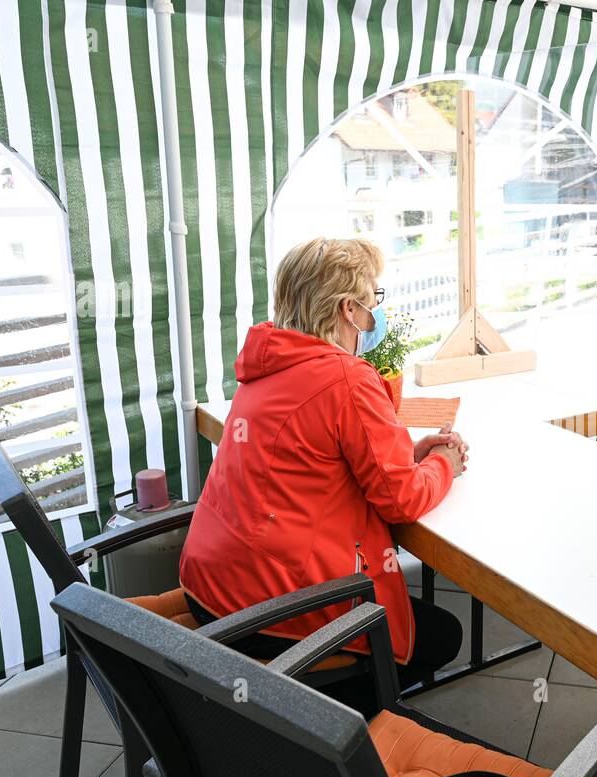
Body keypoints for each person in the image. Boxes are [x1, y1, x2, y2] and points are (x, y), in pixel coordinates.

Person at [179, 237, 467, 705]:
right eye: (375, 299)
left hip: (209, 586)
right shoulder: (347, 379)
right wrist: (444, 464)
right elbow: (402, 500)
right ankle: (327, 720)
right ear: (349, 309)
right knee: (441, 635)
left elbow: (312, 461)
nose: (378, 312)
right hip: (268, 608)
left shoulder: (266, 363)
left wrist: (407, 453)